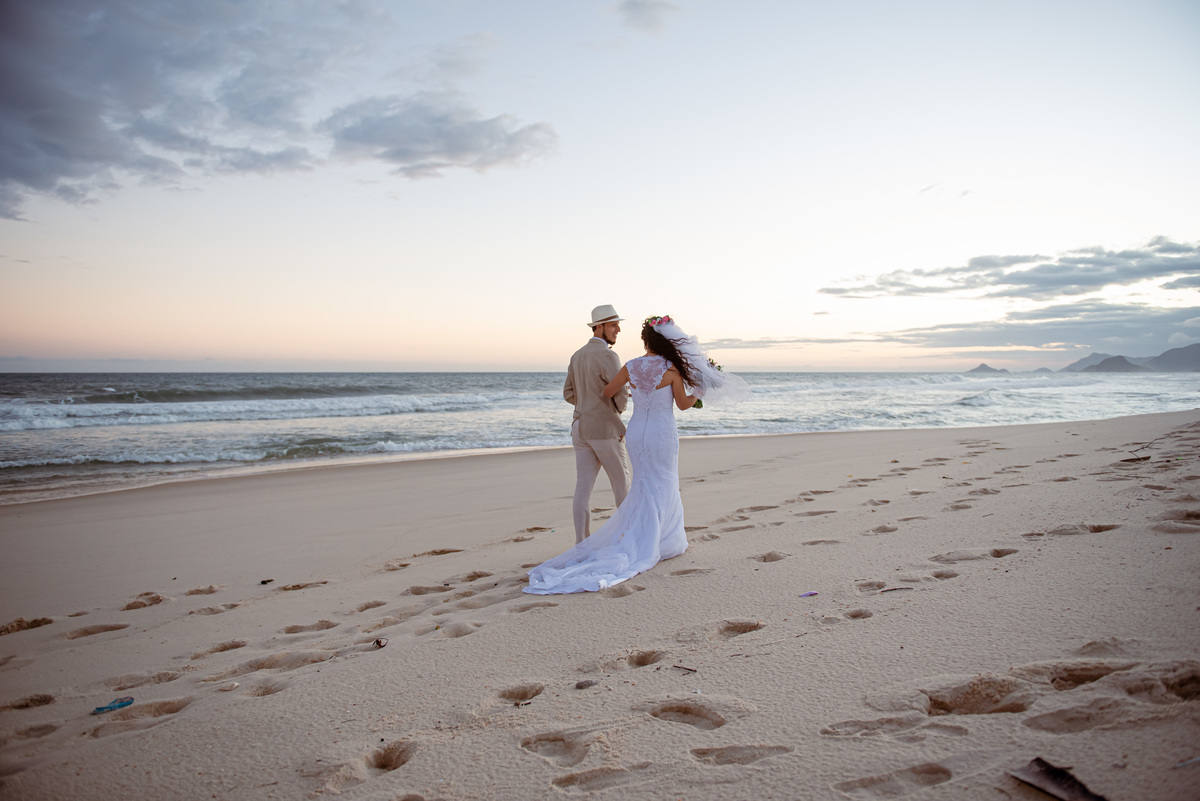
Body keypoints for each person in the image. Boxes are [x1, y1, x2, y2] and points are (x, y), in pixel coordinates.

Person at [525, 315, 750, 594]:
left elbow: (608, 391)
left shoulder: (631, 365)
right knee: (663, 480)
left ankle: (635, 536)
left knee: (643, 482)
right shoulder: (670, 369)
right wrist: (698, 393)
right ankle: (664, 540)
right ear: (666, 342)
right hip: (660, 433)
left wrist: (635, 393)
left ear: (645, 342)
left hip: (636, 432)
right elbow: (682, 405)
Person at [563, 304, 632, 544]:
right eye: (613, 325)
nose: (618, 329)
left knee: (583, 488)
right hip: (603, 428)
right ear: (599, 327)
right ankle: (626, 536)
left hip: (579, 427)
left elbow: (568, 393)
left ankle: (581, 542)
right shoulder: (608, 355)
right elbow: (620, 393)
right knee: (621, 482)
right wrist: (616, 409)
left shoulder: (577, 354)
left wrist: (586, 405)